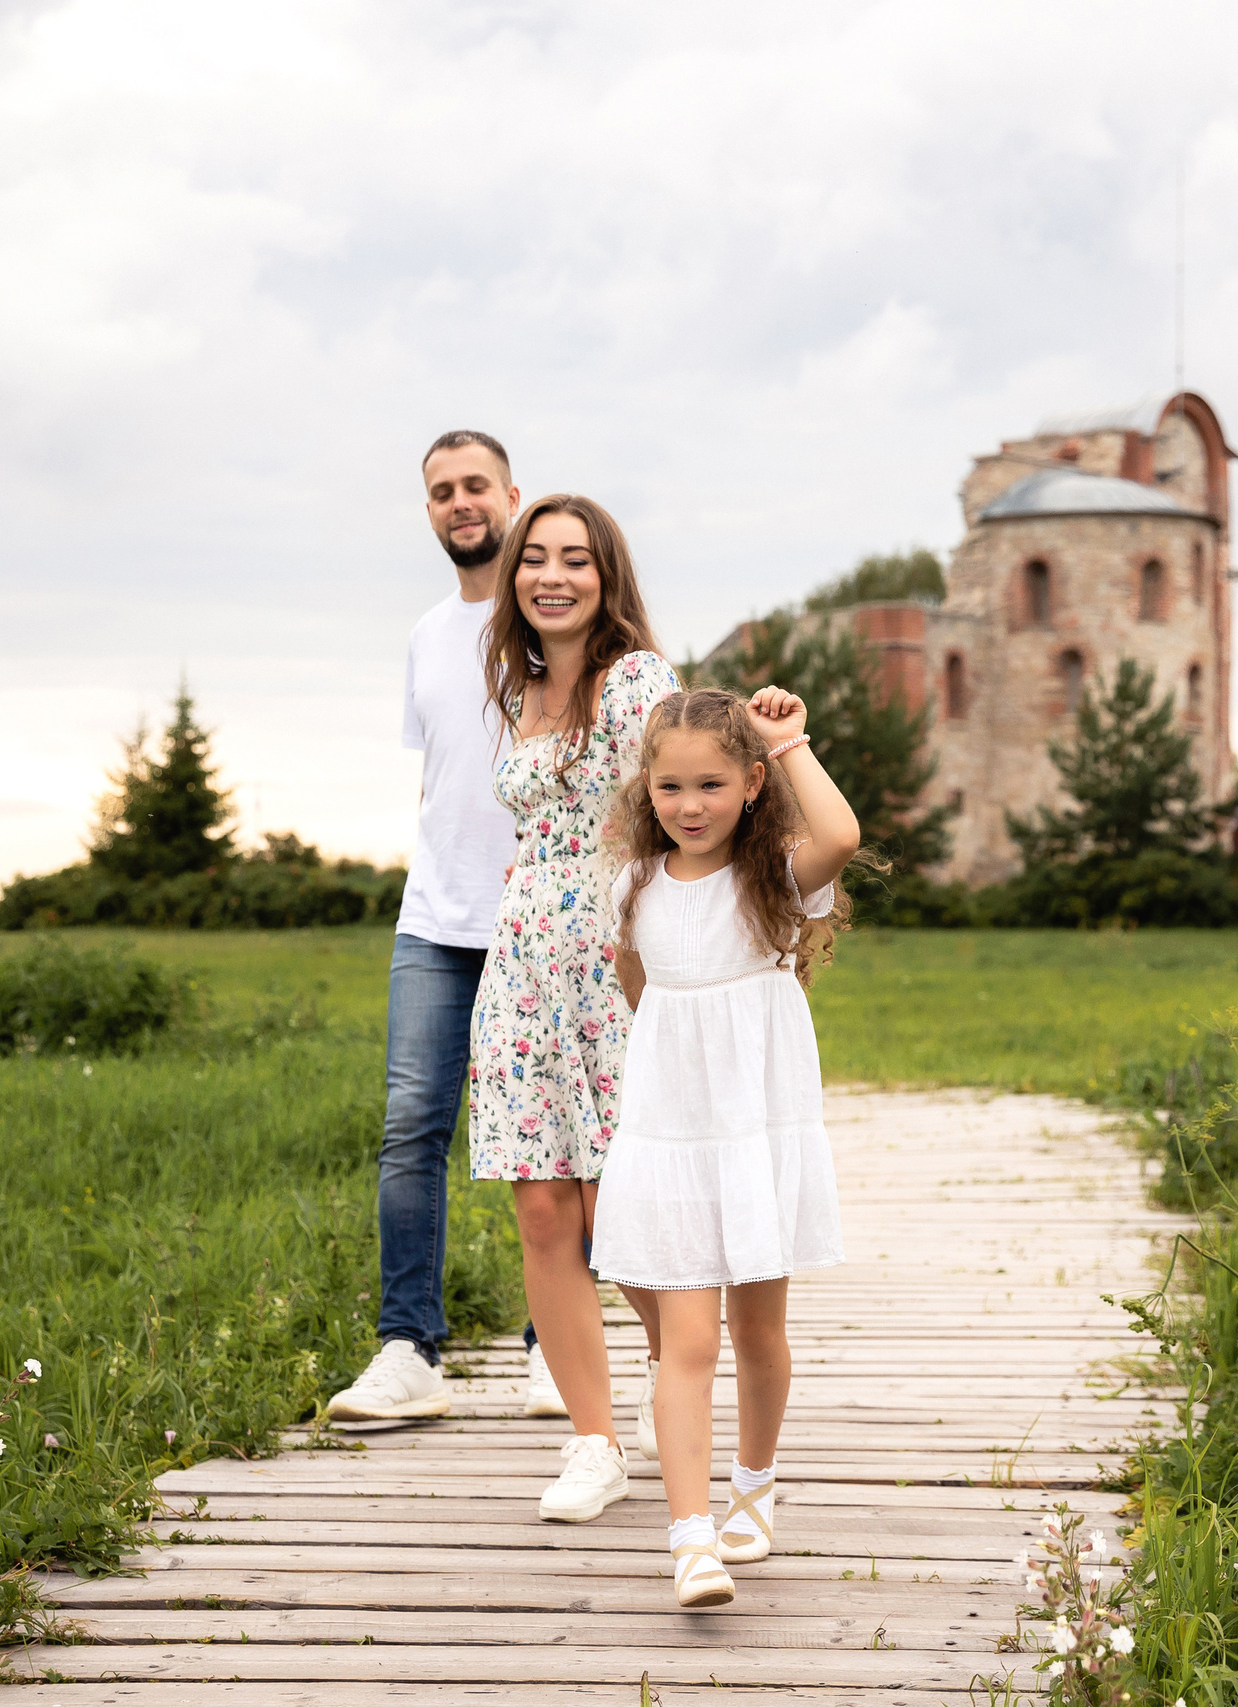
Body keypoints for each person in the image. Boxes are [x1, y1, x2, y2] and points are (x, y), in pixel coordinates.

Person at [588, 685, 867, 1608]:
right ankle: (690, 1537)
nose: (690, 805)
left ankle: (754, 1482)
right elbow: (641, 983)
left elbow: (842, 836)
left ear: (749, 783)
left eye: (711, 784)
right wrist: (672, 1083)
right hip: (671, 1132)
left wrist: (791, 743)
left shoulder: (773, 874)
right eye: (670, 787)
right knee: (687, 1343)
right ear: (648, 789)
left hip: (753, 1130)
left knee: (757, 1330)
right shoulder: (632, 884)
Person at [328, 430, 575, 1423]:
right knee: (409, 1132)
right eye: (440, 491)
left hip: (544, 921)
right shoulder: (428, 636)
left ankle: (558, 1347)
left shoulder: (562, 620)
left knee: (551, 1136)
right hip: (434, 922)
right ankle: (408, 1353)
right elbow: (441, 778)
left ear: (511, 494)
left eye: (475, 485)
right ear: (429, 511)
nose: (459, 503)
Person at [469, 492, 680, 1522]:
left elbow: (686, 801)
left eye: (576, 560)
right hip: (522, 962)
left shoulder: (636, 681)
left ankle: (669, 1374)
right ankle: (591, 1443)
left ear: (607, 578)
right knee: (543, 1206)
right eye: (534, 559)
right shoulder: (518, 689)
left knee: (619, 1203)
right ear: (513, 579)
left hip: (615, 956)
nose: (553, 576)